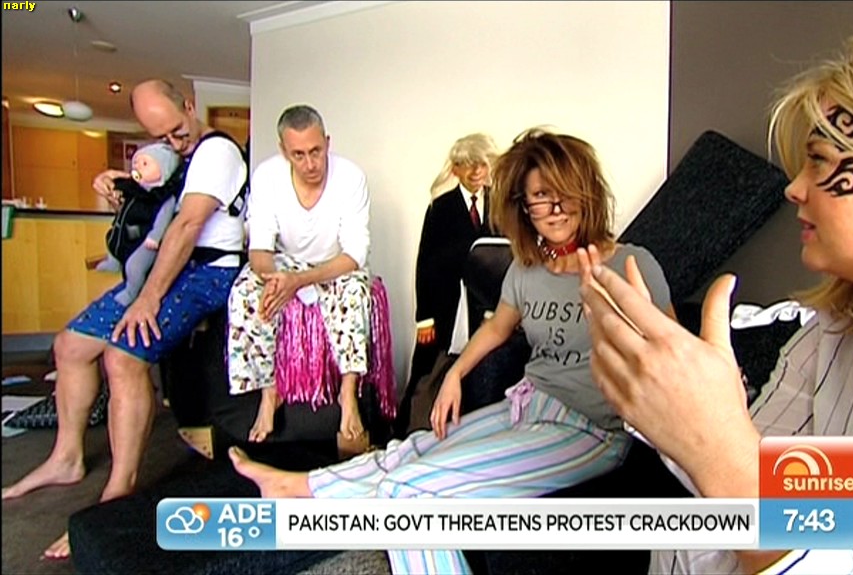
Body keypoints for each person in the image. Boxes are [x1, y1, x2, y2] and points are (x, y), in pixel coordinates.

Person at [577, 2, 853, 574]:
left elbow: (747, 492)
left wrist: (724, 451)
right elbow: (780, 524)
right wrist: (686, 412)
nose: (793, 188)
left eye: (820, 161)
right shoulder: (830, 343)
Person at [229, 127, 675, 574]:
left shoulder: (631, 263)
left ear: (587, 193)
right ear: (524, 206)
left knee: (409, 492)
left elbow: (676, 353)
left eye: (565, 193)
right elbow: (497, 328)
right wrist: (454, 376)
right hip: (528, 405)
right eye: (541, 196)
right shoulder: (528, 270)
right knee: (412, 449)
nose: (555, 209)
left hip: (590, 428)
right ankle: (300, 488)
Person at [0, 79, 247, 560]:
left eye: (177, 131)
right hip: (163, 269)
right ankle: (66, 457)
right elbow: (157, 207)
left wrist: (148, 299)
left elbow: (186, 226)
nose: (173, 143)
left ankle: (119, 491)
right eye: (161, 136)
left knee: (123, 355)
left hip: (208, 273)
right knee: (70, 346)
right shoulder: (173, 157)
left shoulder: (217, 151)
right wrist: (119, 190)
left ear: (189, 106)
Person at [226, 104, 372, 445]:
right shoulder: (267, 175)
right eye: (299, 155)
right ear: (284, 151)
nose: (310, 164)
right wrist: (275, 279)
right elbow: (259, 248)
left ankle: (348, 392)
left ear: (327, 142)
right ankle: (269, 392)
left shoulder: (351, 177)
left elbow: (356, 253)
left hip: (335, 265)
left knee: (355, 292)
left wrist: (301, 282)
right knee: (245, 293)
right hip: (284, 263)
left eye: (316, 151)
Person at [397, 133, 502, 435]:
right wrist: (424, 318)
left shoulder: (500, 206)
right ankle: (412, 429)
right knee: (430, 369)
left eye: (481, 164)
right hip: (446, 306)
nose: (476, 172)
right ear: (455, 169)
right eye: (468, 165)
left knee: (482, 369)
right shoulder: (440, 208)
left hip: (485, 307)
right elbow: (425, 264)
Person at [95, 142, 182, 306]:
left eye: (145, 163)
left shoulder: (163, 196)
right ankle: (113, 262)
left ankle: (131, 291)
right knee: (113, 242)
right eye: (136, 163)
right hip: (125, 232)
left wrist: (155, 236)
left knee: (134, 266)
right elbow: (117, 185)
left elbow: (163, 217)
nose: (138, 167)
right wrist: (109, 184)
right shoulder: (133, 188)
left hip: (145, 239)